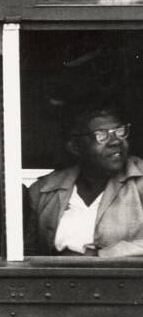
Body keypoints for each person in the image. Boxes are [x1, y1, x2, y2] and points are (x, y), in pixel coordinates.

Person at [25, 98, 143, 257]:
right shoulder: (44, 191)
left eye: (120, 131)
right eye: (101, 135)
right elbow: (28, 254)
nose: (115, 141)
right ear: (75, 147)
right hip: (58, 281)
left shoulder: (139, 181)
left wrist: (103, 256)